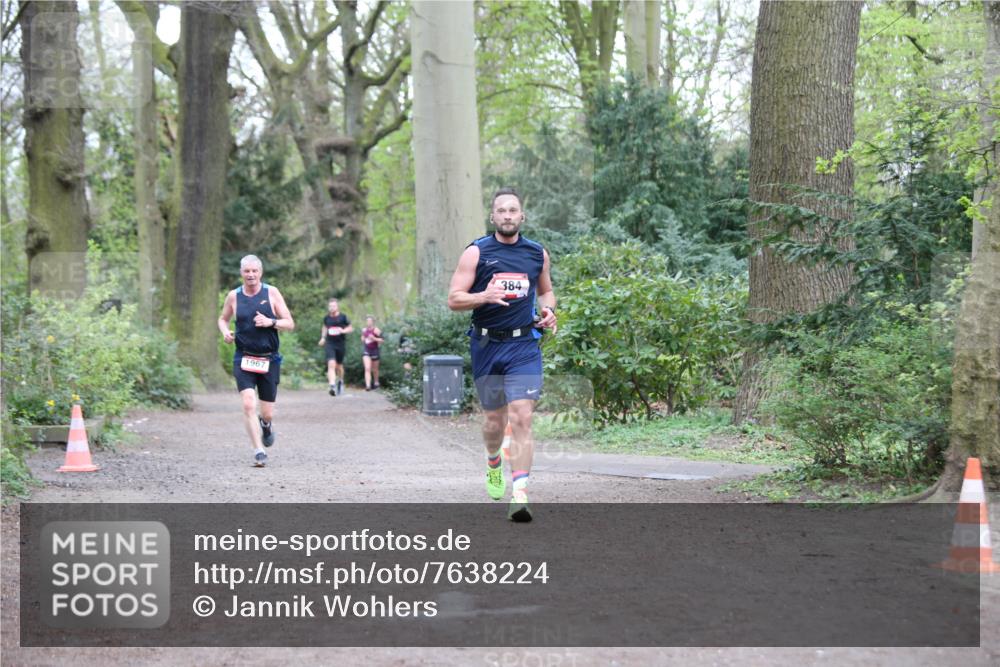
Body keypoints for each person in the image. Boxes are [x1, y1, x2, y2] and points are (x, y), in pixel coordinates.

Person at [447, 187, 557, 522]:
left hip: (523, 346)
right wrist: (483, 296)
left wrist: (549, 311)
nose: (507, 215)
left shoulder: (537, 253)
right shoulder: (476, 253)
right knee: (495, 421)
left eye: (513, 210)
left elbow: (546, 290)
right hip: (486, 346)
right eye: (501, 211)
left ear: (522, 216)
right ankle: (493, 460)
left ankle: (520, 494)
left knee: (522, 416)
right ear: (493, 216)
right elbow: (454, 299)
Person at [218, 255, 295, 467]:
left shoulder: (271, 292)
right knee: (248, 403)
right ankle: (258, 450)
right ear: (241, 273)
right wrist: (225, 332)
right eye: (247, 271)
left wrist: (270, 322)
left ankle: (266, 425)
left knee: (267, 412)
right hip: (243, 357)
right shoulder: (234, 296)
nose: (250, 275)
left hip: (268, 359)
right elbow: (222, 318)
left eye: (254, 271)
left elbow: (289, 323)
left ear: (260, 272)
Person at [318, 298, 353, 396]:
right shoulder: (326, 318)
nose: (331, 308)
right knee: (331, 364)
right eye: (330, 306)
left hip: (340, 344)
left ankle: (340, 380)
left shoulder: (343, 317)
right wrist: (323, 338)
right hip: (330, 343)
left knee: (339, 366)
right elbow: (325, 327)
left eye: (333, 306)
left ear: (337, 307)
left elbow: (350, 328)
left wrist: (343, 331)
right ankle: (332, 385)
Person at [361, 316, 384, 391]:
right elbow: (362, 339)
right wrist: (363, 338)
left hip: (375, 350)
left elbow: (382, 340)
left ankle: (376, 383)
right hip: (366, 350)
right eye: (367, 321)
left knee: (375, 369)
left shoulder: (376, 330)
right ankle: (368, 386)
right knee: (367, 368)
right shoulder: (364, 330)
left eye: (370, 321)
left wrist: (374, 338)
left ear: (373, 322)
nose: (368, 322)